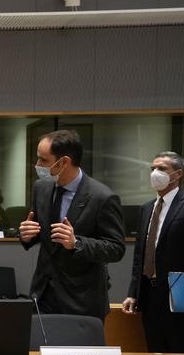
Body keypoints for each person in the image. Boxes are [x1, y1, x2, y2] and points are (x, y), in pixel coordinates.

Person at [19, 130, 125, 320]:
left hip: (82, 300)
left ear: (64, 162)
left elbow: (116, 249)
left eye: (43, 160)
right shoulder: (41, 187)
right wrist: (27, 235)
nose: (37, 165)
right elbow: (38, 232)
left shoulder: (102, 197)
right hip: (43, 294)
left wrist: (76, 242)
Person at [123, 151, 184, 353]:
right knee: (155, 351)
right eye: (152, 169)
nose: (155, 173)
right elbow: (139, 256)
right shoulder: (147, 208)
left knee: (182, 352)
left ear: (177, 174)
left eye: (161, 169)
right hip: (150, 294)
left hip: (180, 294)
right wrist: (133, 293)